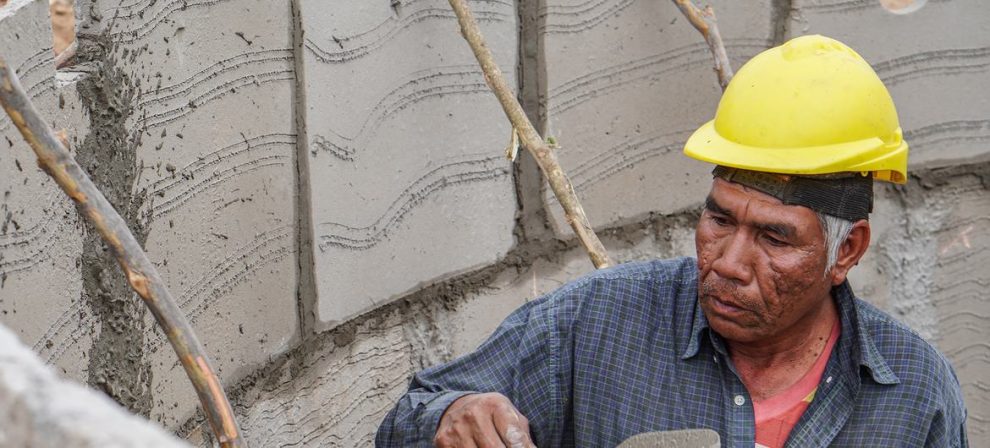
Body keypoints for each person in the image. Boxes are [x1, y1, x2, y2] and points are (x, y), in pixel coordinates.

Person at [375, 35, 968, 448]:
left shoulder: (917, 396)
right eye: (719, 220)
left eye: (774, 237)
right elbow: (408, 418)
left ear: (847, 251)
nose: (729, 263)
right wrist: (451, 416)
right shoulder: (595, 324)